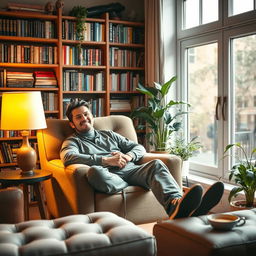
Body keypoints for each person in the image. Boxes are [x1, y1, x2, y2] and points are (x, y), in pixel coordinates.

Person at [60, 98, 224, 219]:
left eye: (86, 114)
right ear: (72, 124)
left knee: (156, 164)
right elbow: (68, 157)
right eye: (78, 117)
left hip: (130, 171)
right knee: (95, 172)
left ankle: (176, 204)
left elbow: (138, 147)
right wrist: (106, 161)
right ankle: (128, 184)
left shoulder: (108, 135)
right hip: (109, 177)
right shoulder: (72, 141)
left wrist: (128, 155)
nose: (84, 119)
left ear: (92, 116)